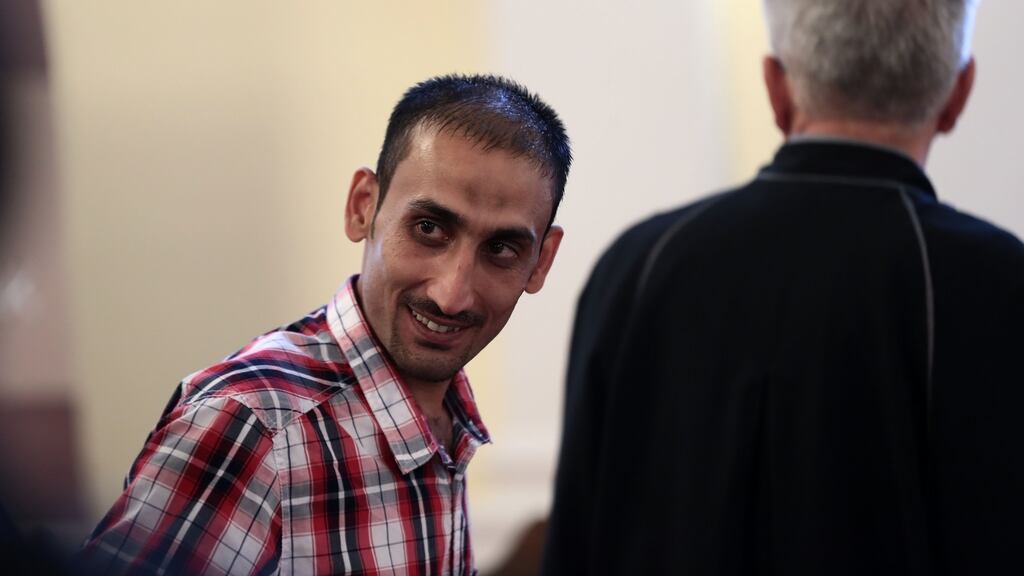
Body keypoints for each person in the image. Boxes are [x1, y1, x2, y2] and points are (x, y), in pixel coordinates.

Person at [543, 1, 1022, 574]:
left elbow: (577, 543)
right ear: (958, 94)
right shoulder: (1001, 283)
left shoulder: (637, 266)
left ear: (776, 89)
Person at [81, 74, 570, 575]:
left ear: (541, 261)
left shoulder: (446, 417)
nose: (452, 294)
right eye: (428, 228)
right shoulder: (254, 424)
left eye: (501, 249)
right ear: (363, 207)